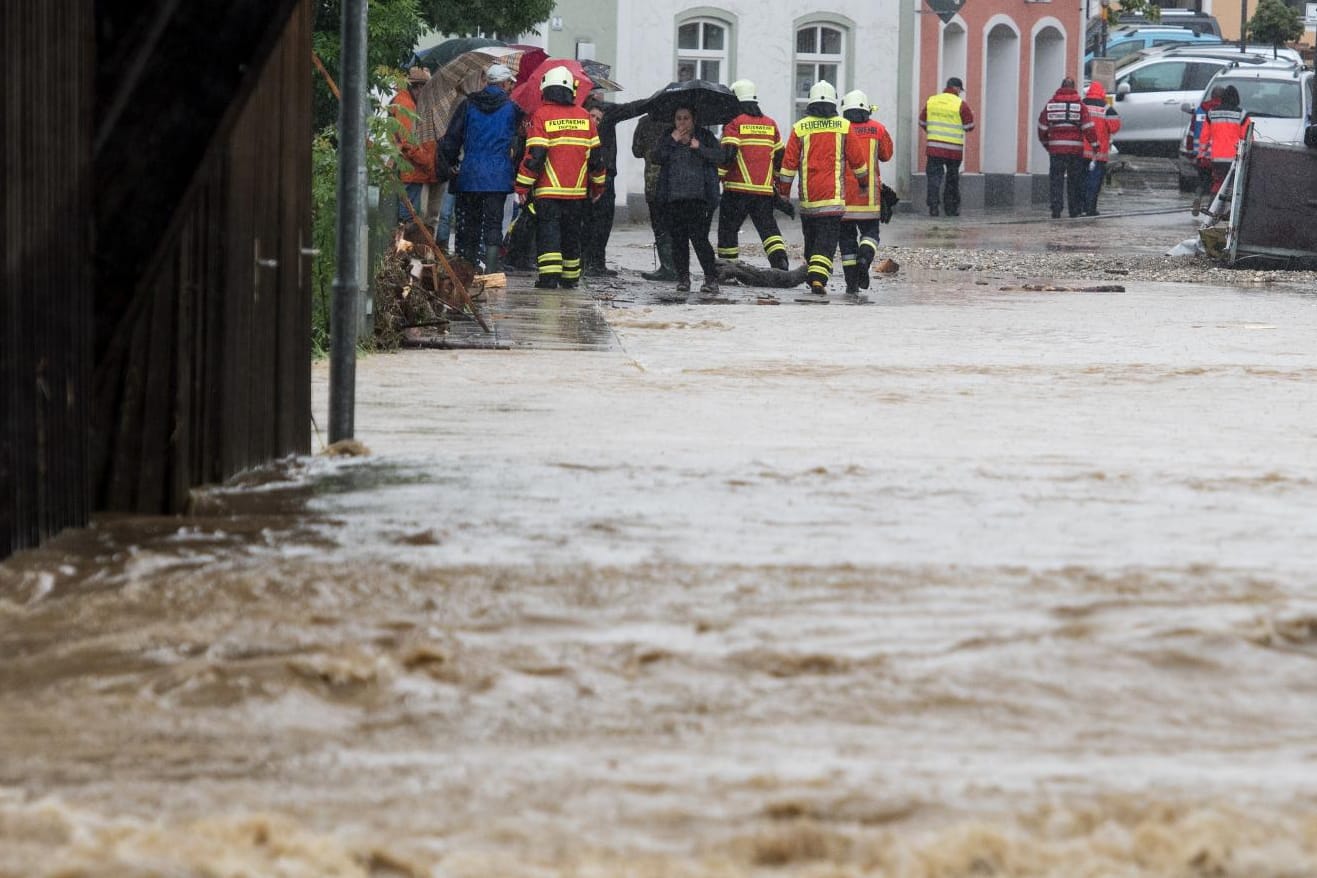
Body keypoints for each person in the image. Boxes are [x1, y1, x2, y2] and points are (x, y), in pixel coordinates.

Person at [513, 65, 606, 289]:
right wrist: (598, 187)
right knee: (572, 234)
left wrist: (522, 187)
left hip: (548, 191)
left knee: (549, 233)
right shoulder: (585, 117)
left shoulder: (542, 115)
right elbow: (596, 159)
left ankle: (549, 278)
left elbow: (535, 156)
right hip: (576, 193)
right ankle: (571, 277)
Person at [776, 81, 869, 295]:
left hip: (808, 200)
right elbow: (858, 161)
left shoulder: (800, 128)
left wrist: (783, 192)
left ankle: (814, 276)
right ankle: (818, 278)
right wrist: (863, 183)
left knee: (811, 240)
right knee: (826, 243)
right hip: (832, 199)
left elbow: (788, 165)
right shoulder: (843, 126)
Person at [442, 64, 521, 272]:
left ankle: (468, 267)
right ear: (503, 83)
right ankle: (491, 270)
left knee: (471, 224)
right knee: (494, 224)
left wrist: (451, 163)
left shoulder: (468, 104)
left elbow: (452, 138)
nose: (511, 87)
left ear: (487, 82)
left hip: (470, 174)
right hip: (498, 175)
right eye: (509, 83)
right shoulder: (512, 109)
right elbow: (520, 142)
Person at [716, 79, 790, 270]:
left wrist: (717, 175)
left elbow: (729, 154)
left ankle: (727, 267)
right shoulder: (770, 123)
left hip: (736, 190)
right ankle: (780, 261)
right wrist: (773, 179)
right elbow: (780, 155)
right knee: (768, 229)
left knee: (728, 230)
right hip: (763, 192)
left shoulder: (734, 123)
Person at [651, 105, 723, 295]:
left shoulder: (705, 136)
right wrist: (672, 141)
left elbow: (719, 157)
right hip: (674, 197)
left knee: (700, 239)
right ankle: (683, 278)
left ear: (694, 120)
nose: (682, 122)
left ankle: (711, 277)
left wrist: (698, 147)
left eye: (686, 118)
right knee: (678, 241)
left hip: (699, 198)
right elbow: (656, 157)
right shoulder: (669, 136)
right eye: (678, 118)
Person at [582, 93, 652, 276]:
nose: (596, 120)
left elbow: (632, 108)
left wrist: (652, 101)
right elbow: (631, 108)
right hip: (591, 176)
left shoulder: (602, 112)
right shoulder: (595, 115)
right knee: (592, 221)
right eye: (593, 117)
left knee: (600, 222)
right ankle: (588, 262)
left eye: (598, 118)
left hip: (603, 175)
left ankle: (594, 262)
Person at [838, 89, 893, 294]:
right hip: (869, 197)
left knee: (846, 240)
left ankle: (851, 283)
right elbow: (886, 155)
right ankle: (865, 257)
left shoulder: (840, 128)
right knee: (870, 234)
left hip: (843, 198)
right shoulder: (878, 129)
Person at [1038, 76, 1098, 219]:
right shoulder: (1080, 106)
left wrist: (1048, 145)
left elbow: (1042, 128)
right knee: (1074, 180)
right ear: (1074, 88)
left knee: (1056, 180)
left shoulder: (1050, 105)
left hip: (1056, 150)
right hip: (1075, 151)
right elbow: (1088, 127)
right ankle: (1074, 209)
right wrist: (1095, 144)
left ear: (1061, 87)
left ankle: (1056, 209)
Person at [389, 66, 442, 226]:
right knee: (409, 217)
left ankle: (404, 246)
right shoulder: (406, 105)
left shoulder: (405, 101)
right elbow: (409, 141)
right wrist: (427, 162)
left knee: (409, 215)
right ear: (418, 87)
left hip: (412, 168)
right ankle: (404, 248)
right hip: (412, 169)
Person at [919, 77, 974, 217]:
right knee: (952, 178)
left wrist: (933, 132)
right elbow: (969, 126)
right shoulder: (961, 104)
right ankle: (950, 208)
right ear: (956, 88)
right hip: (954, 151)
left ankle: (933, 207)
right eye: (960, 90)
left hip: (934, 148)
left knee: (934, 178)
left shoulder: (932, 101)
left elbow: (922, 121)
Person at [632, 114, 677, 281]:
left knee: (660, 226)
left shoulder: (645, 122)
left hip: (653, 182)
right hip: (675, 183)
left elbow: (636, 151)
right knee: (676, 225)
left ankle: (668, 267)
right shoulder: (679, 121)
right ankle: (679, 266)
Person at [1200, 84, 1250, 200]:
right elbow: (1246, 137)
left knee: (1218, 183)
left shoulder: (1212, 113)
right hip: (1235, 158)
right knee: (1233, 185)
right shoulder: (1242, 115)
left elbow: (1204, 137)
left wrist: (1201, 154)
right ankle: (1227, 211)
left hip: (1216, 158)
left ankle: (1212, 208)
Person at [1080, 82, 1121, 217]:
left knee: (1081, 180)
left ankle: (1080, 207)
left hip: (1080, 151)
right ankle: (1091, 208)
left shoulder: (1082, 105)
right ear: (1102, 93)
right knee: (1095, 181)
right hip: (1099, 152)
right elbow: (1115, 127)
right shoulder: (1106, 108)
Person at [1189, 85, 1225, 216]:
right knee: (1217, 182)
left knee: (1202, 180)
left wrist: (1192, 151)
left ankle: (1197, 198)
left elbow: (1192, 132)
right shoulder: (1222, 112)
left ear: (1211, 96)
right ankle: (1211, 207)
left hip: (1201, 154)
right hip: (1217, 154)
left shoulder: (1200, 110)